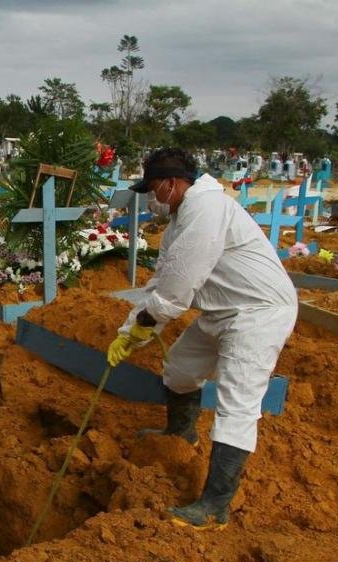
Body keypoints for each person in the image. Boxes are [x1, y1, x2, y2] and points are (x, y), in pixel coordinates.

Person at [107, 148, 297, 531]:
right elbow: (162, 283)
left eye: (154, 191)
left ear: (171, 184)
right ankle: (182, 431)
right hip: (223, 310)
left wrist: (146, 322)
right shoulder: (184, 217)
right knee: (180, 368)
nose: (152, 200)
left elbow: (177, 292)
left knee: (237, 404)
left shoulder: (205, 210)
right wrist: (129, 333)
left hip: (258, 312)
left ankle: (214, 506)